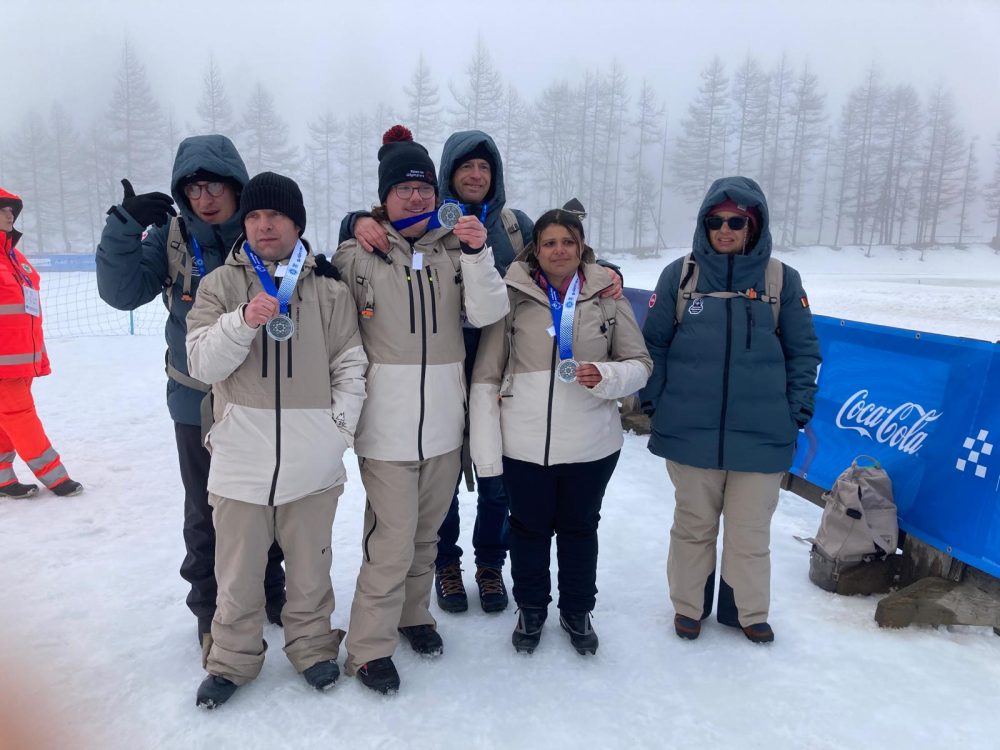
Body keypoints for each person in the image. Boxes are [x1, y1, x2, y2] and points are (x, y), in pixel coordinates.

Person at [342, 132, 622, 616]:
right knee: (443, 476)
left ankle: (491, 562)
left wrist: (607, 270)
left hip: (504, 370)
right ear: (447, 176)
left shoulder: (514, 226)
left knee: (499, 477)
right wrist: (356, 219)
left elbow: (566, 257)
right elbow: (377, 239)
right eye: (466, 167)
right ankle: (445, 563)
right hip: (441, 374)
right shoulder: (429, 228)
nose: (476, 176)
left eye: (485, 169)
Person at [332, 125, 508, 693]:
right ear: (383, 195)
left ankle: (413, 616)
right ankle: (367, 646)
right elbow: (330, 324)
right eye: (403, 188)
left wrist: (479, 254)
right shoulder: (358, 253)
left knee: (426, 536)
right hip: (385, 430)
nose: (415, 196)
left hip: (442, 427)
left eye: (424, 187)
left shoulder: (456, 248)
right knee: (390, 537)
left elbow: (484, 314)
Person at [186, 172, 367, 708]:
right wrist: (241, 322)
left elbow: (351, 365)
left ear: (297, 224)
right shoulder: (220, 284)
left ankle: (312, 648)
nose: (265, 226)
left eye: (276, 217)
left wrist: (338, 430)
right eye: (255, 218)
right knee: (237, 573)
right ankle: (231, 660)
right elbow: (201, 361)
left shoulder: (329, 290)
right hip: (241, 459)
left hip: (314, 461)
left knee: (311, 568)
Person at [96, 136, 286, 646]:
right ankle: (209, 607)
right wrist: (124, 227)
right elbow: (121, 294)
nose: (205, 196)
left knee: (264, 500)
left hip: (261, 397)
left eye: (215, 184)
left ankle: (272, 588)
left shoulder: (260, 234)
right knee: (205, 510)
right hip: (196, 400)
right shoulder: (172, 238)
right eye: (194, 186)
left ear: (236, 186)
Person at [639, 176, 820, 644]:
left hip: (762, 435)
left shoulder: (782, 280)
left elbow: (804, 353)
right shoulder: (680, 275)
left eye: (735, 221)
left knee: (749, 533)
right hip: (689, 430)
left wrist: (795, 410)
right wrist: (656, 403)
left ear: (753, 225)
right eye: (715, 221)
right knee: (693, 525)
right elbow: (653, 344)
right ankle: (688, 607)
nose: (724, 229)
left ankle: (747, 610)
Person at [469, 208, 651, 655]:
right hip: (524, 444)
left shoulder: (607, 294)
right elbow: (487, 375)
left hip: (591, 445)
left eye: (568, 242)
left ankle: (576, 609)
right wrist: (488, 451)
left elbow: (641, 365)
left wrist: (606, 376)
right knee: (527, 530)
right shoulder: (511, 295)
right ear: (536, 249)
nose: (559, 250)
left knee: (579, 529)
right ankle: (531, 608)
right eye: (549, 243)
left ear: (581, 246)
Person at [0, 188, 83, 499]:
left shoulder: (13, 256)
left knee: (6, 418)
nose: (11, 214)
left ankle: (3, 479)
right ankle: (55, 476)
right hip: (3, 361)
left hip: (19, 355)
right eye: (4, 208)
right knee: (20, 416)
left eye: (12, 209)